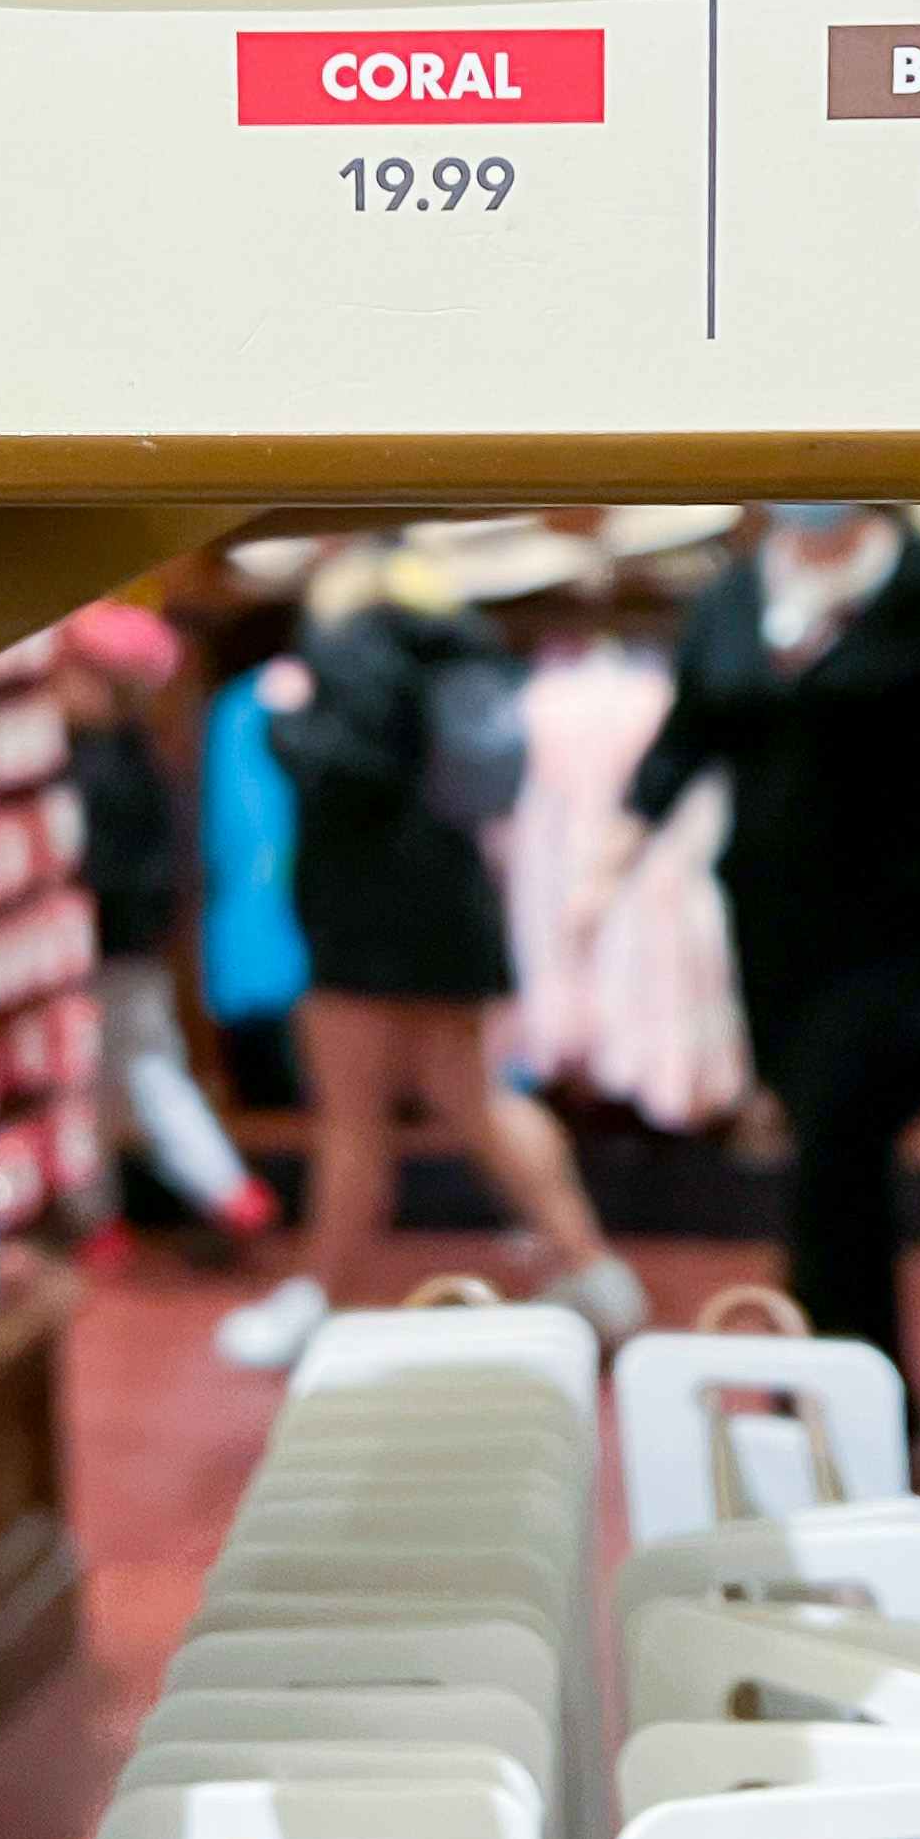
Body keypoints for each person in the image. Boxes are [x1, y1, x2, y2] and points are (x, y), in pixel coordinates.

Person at [588, 503, 920, 1377]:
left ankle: (828, 1382)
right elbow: (686, 739)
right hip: (775, 931)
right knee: (832, 1158)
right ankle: (860, 1388)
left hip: (904, 929)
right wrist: (604, 866)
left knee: (836, 1147)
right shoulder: (732, 596)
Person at [216, 541, 646, 1371]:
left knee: (351, 1118)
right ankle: (595, 1271)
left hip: (363, 920)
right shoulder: (462, 649)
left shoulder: (342, 657)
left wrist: (282, 727)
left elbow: (351, 768)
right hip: (456, 909)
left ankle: (321, 1297)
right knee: (473, 1098)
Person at [51, 602, 278, 1255]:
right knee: (141, 1071)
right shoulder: (143, 754)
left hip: (101, 951)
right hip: (134, 947)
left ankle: (117, 1214)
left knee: (108, 1080)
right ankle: (219, 1191)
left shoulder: (94, 766)